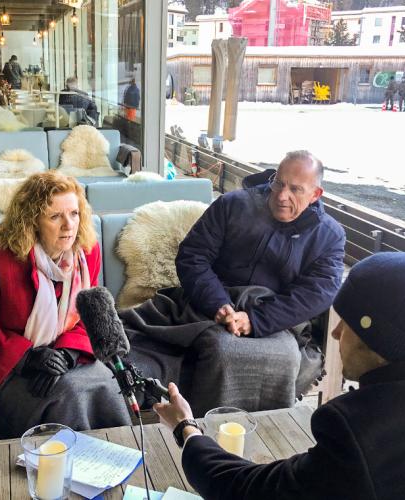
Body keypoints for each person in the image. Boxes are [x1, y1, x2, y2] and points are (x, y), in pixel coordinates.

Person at [154, 252, 405, 500]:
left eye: (344, 325)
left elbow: (246, 489)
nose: (334, 336)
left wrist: (187, 429)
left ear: (379, 341)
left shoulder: (367, 432)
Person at [122, 151, 345, 413]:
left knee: (274, 355)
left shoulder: (329, 236)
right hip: (206, 307)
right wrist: (219, 304)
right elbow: (193, 257)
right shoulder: (233, 205)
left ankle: (260, 430)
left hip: (274, 320)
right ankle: (199, 428)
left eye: (295, 189)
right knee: (219, 347)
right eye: (279, 183)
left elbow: (317, 292)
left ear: (315, 195)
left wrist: (256, 320)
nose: (282, 196)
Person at [0, 172, 131, 438]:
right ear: (32, 221)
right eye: (55, 216)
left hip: (67, 352)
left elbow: (88, 314)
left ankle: (112, 461)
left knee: (108, 386)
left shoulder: (87, 252)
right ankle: (58, 468)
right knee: (66, 395)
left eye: (74, 213)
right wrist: (27, 358)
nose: (68, 225)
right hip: (7, 357)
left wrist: (67, 354)